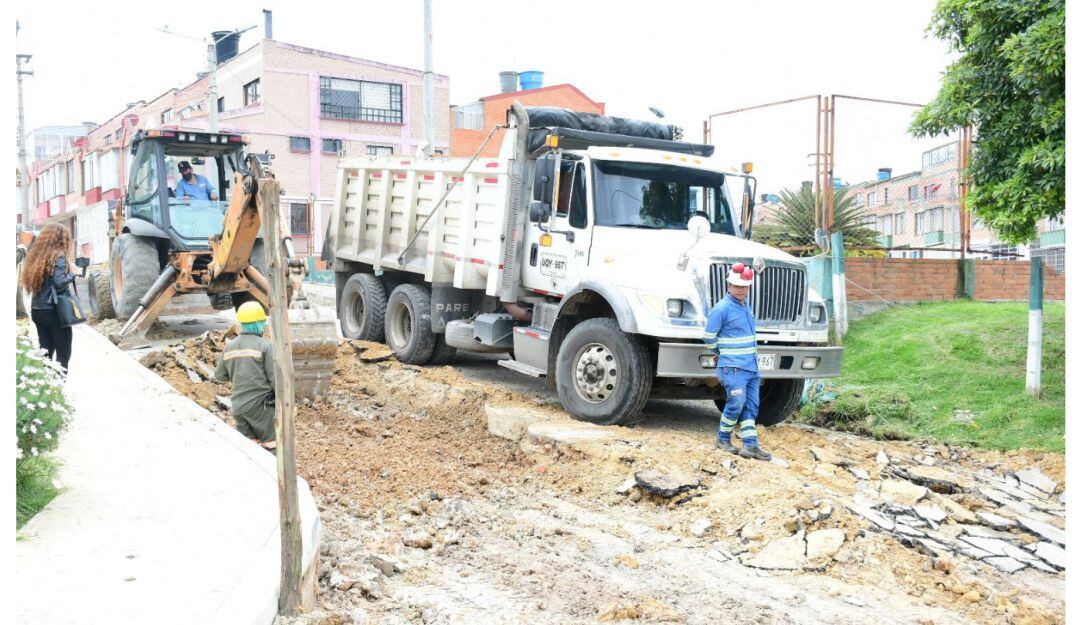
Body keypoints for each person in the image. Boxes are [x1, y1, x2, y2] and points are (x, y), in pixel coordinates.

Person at [704, 263, 772, 461]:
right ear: (729, 286)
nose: (741, 290)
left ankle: (751, 445)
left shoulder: (745, 306)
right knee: (736, 403)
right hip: (733, 368)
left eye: (744, 287)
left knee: (751, 406)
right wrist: (721, 352)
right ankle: (722, 438)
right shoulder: (722, 308)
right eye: (737, 286)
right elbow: (709, 336)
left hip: (751, 367)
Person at [213, 302, 277, 450]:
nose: (263, 325)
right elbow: (275, 379)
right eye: (262, 322)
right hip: (261, 408)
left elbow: (220, 376)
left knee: (249, 447)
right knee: (271, 444)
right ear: (257, 323)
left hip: (238, 407)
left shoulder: (229, 347)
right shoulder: (265, 346)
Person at [21, 223, 78, 373]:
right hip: (55, 311)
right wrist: (73, 274)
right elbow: (59, 283)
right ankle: (59, 390)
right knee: (63, 354)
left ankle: (45, 386)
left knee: (45, 352)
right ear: (61, 239)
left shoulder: (35, 257)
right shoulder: (58, 256)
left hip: (38, 310)